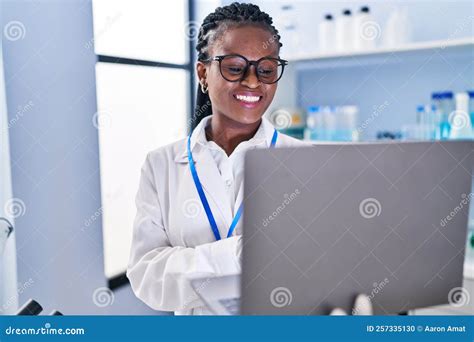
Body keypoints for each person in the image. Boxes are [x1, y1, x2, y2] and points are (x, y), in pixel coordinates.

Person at [126, 2, 371, 316]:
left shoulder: (310, 163)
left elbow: (328, 266)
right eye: (234, 67)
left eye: (266, 69)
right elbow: (147, 276)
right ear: (203, 73)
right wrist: (244, 253)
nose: (253, 82)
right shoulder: (161, 165)